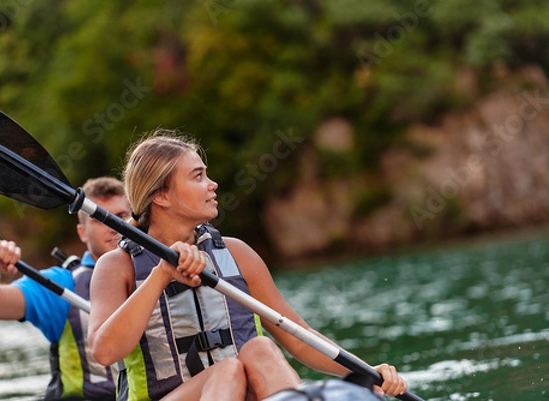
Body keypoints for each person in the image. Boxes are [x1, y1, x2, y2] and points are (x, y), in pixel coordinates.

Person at [87, 130, 408, 401]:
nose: (212, 184)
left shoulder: (236, 254)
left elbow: (299, 337)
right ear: (161, 196)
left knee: (260, 349)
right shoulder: (118, 266)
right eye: (198, 176)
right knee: (227, 369)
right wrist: (160, 276)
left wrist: (367, 372)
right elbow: (104, 351)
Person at [0, 176, 131, 401]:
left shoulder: (156, 272)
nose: (114, 225)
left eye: (121, 216)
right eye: (100, 219)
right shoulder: (61, 285)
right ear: (82, 232)